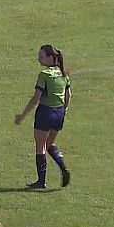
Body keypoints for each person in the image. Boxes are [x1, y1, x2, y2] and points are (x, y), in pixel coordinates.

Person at [15, 45, 72, 189]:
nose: (38, 59)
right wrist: (63, 110)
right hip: (59, 113)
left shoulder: (44, 75)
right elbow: (68, 95)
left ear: (50, 57)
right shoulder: (63, 73)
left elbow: (36, 99)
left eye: (41, 56)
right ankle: (63, 168)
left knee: (40, 147)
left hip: (45, 113)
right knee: (50, 144)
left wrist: (22, 115)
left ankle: (41, 182)